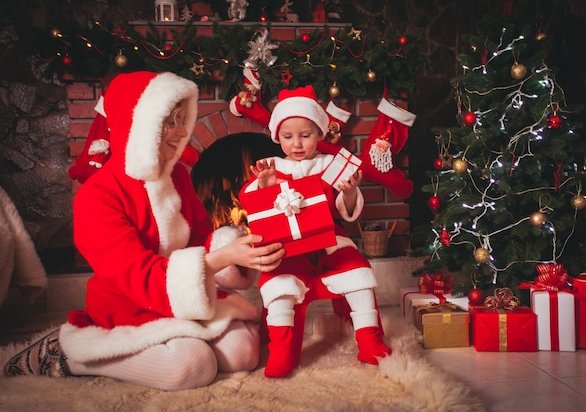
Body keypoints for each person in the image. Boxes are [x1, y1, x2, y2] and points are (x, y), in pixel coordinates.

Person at [3, 71, 285, 391]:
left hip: (184, 297)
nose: (181, 132)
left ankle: (177, 340)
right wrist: (219, 259)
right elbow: (140, 277)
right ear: (141, 125)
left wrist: (235, 246)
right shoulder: (97, 197)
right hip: (127, 306)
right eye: (170, 121)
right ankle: (68, 355)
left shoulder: (176, 175)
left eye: (183, 120)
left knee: (244, 352)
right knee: (191, 366)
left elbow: (200, 235)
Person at [239, 85, 391, 378]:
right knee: (278, 283)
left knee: (357, 271)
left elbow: (344, 210)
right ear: (277, 137)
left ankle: (370, 341)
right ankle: (282, 351)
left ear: (320, 134)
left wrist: (349, 192)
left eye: (305, 135)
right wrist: (266, 185)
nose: (297, 144)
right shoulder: (272, 167)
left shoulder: (330, 166)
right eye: (288, 136)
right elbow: (252, 203)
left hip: (329, 243)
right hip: (288, 249)